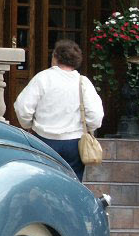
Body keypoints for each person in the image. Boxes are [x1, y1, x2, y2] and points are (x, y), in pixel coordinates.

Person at [14, 39, 104, 181]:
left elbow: (23, 107)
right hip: (74, 143)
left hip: (43, 141)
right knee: (71, 185)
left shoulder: (43, 78)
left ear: (55, 57)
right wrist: (88, 128)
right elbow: (96, 115)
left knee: (43, 183)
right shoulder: (83, 82)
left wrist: (28, 126)